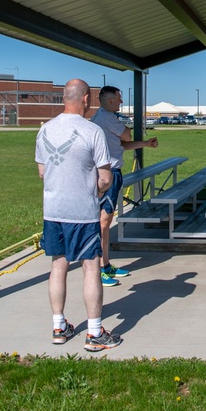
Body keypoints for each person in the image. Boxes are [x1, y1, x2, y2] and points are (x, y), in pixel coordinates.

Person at [35, 79, 122, 351]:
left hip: (53, 212)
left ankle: (59, 326)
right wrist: (91, 192)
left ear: (64, 97)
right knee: (91, 266)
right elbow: (105, 178)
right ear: (86, 99)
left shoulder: (45, 131)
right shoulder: (92, 131)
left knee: (58, 265)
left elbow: (42, 172)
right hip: (83, 214)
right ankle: (94, 332)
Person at [90, 85, 158, 285]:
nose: (121, 102)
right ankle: (98, 270)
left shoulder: (103, 119)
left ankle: (106, 264)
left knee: (105, 220)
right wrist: (125, 128)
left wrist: (145, 144)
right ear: (110, 101)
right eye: (119, 99)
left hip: (112, 171)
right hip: (108, 173)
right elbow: (126, 135)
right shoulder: (107, 118)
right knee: (103, 222)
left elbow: (122, 145)